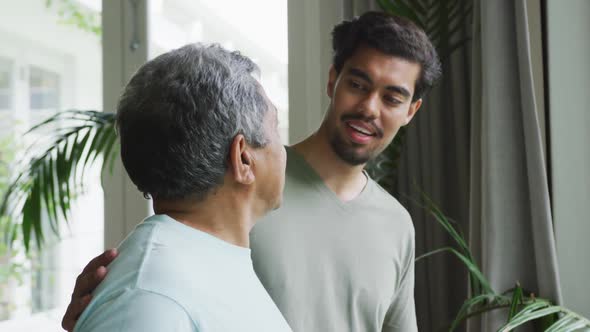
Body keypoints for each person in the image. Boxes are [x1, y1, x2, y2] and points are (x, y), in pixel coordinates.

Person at [63, 11, 441, 332]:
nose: (370, 108)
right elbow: (151, 298)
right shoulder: (226, 202)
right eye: (358, 84)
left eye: (392, 97)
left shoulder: (396, 225)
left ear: (411, 110)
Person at [72, 44, 291, 332]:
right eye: (276, 128)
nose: (283, 147)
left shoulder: (193, 269)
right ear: (243, 158)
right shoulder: (151, 299)